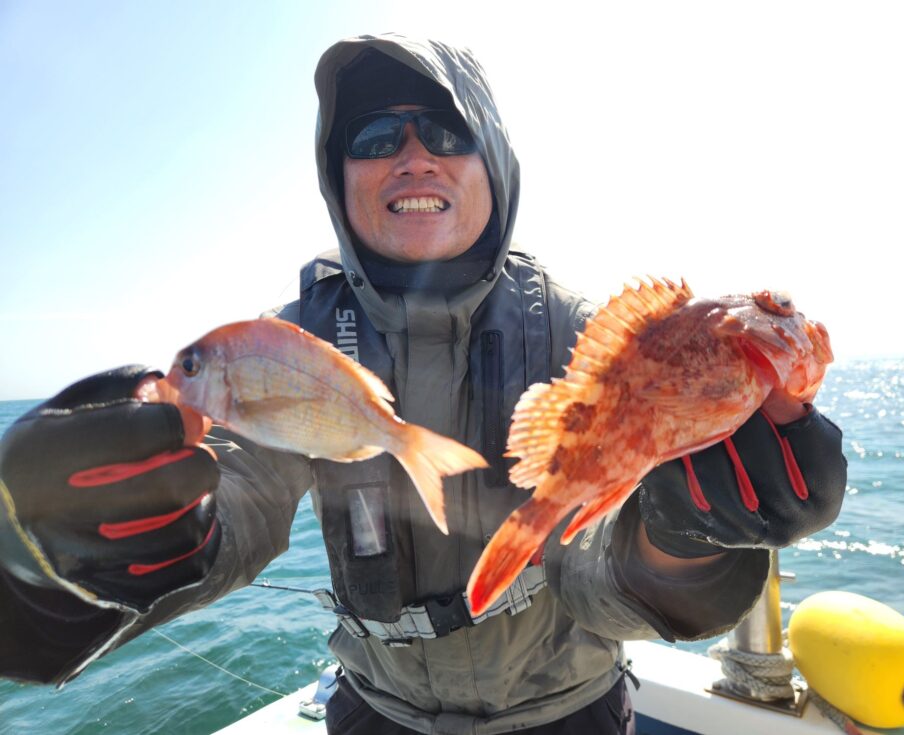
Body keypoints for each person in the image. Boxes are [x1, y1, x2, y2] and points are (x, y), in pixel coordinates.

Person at [0, 34, 847, 734]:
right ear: (340, 179)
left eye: (446, 130)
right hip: (375, 713)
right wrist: (74, 561)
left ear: (496, 163)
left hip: (569, 713)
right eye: (373, 139)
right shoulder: (292, 346)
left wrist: (688, 537)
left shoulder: (582, 333)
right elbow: (237, 494)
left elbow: (595, 577)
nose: (412, 157)